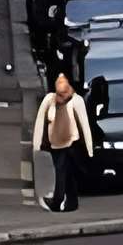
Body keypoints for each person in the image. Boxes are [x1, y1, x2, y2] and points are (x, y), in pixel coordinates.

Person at [31, 72, 90, 213]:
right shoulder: (50, 100)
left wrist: (88, 147)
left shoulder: (76, 101)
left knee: (61, 171)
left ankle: (57, 202)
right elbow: (41, 121)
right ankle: (71, 201)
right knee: (67, 172)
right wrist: (37, 143)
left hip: (71, 143)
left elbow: (84, 124)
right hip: (55, 143)